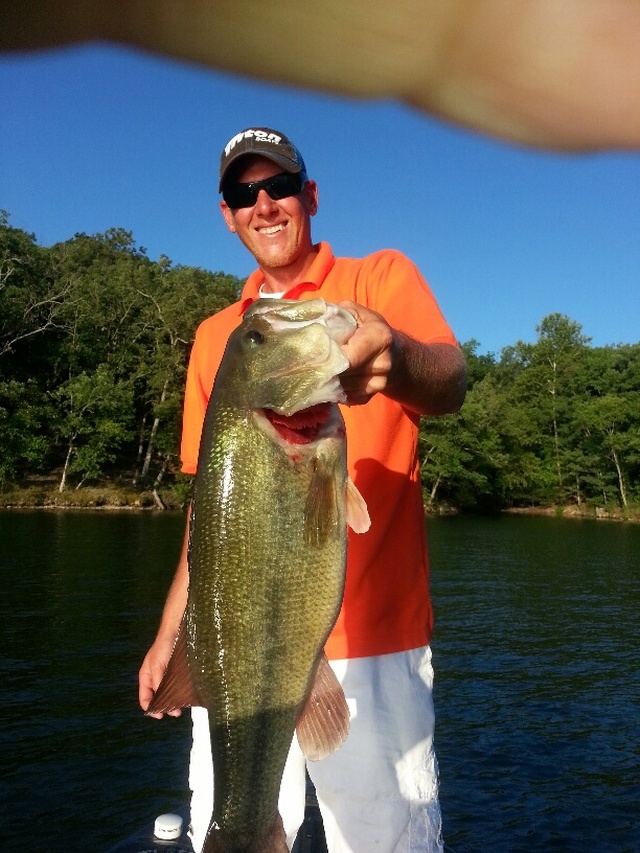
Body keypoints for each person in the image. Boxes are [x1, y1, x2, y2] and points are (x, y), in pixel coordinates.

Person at [139, 127, 467, 853]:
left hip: (375, 648)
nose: (263, 204)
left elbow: (452, 380)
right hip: (234, 651)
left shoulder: (380, 281)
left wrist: (397, 357)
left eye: (278, 185)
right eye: (242, 193)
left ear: (309, 195)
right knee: (233, 820)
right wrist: (172, 631)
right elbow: (213, 511)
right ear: (227, 214)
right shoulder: (217, 337)